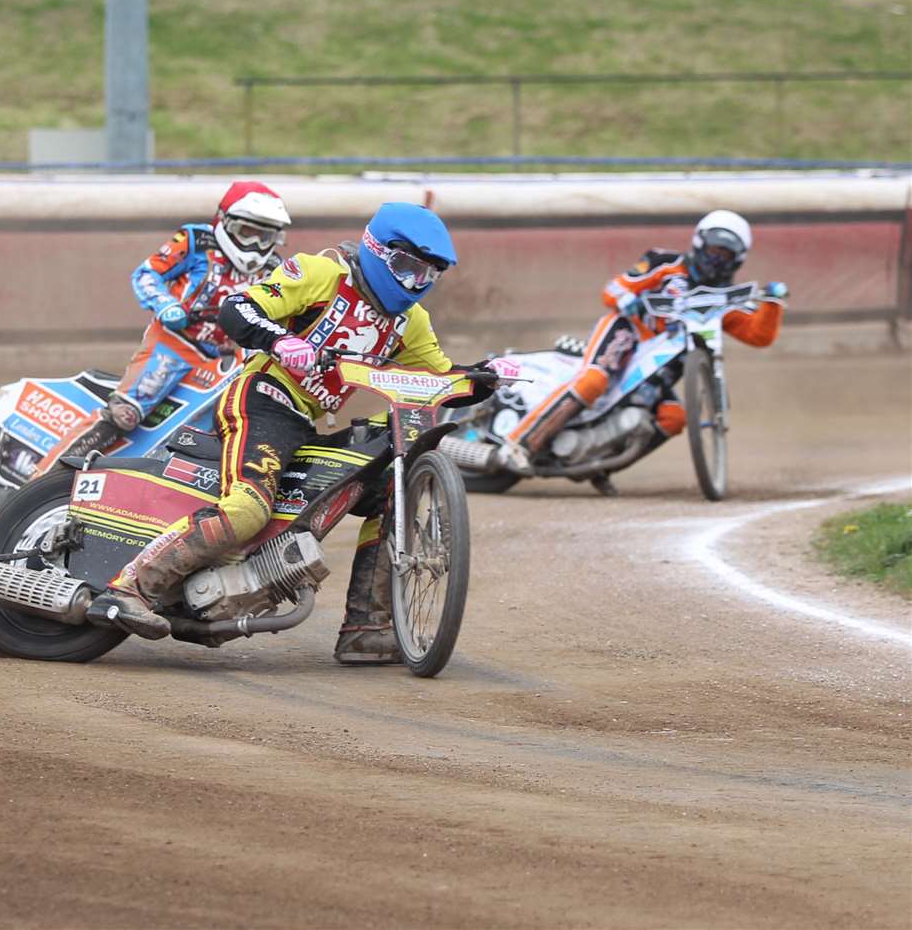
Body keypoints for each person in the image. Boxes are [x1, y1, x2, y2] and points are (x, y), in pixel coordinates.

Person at [87, 201, 498, 665]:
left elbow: (439, 381)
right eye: (406, 266)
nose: (414, 283)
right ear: (376, 250)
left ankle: (367, 627)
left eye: (428, 275)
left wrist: (484, 378)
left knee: (390, 495)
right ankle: (130, 589)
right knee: (249, 509)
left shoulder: (411, 322)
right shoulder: (319, 273)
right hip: (262, 396)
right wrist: (282, 341)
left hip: (306, 421)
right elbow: (237, 309)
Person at [496, 210, 787, 476]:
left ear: (738, 259)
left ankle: (597, 466)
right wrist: (628, 299)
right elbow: (614, 288)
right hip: (628, 335)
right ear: (699, 244)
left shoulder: (724, 300)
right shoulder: (663, 263)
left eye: (725, 255)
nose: (716, 260)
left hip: (657, 372)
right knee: (594, 379)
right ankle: (520, 443)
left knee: (674, 417)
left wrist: (773, 303)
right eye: (713, 251)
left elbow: (759, 336)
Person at [34, 180, 292, 470]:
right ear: (226, 222)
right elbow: (147, 274)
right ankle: (42, 478)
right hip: (173, 344)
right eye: (248, 232)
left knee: (222, 426)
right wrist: (166, 304)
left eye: (265, 236)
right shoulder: (195, 240)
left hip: (225, 361)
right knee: (124, 415)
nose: (256, 245)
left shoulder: (275, 270)